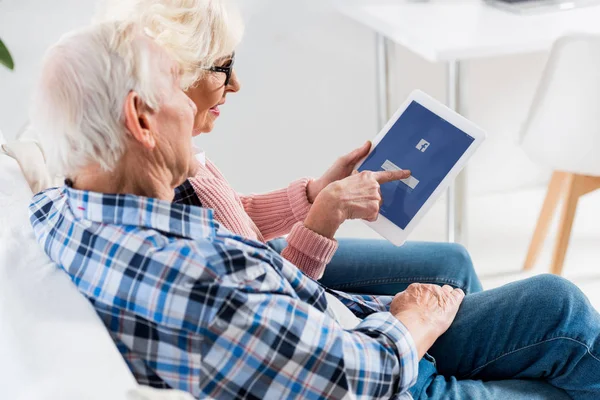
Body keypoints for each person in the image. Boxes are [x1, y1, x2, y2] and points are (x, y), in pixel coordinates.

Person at [30, 20, 600, 400]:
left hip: (348, 324)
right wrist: (413, 322)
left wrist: (311, 200)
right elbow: (355, 377)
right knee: (563, 320)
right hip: (385, 369)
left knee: (549, 304)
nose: (200, 99)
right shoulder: (206, 278)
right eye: (178, 88)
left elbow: (244, 244)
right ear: (142, 119)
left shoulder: (61, 204)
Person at [97, 0, 483, 298]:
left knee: (455, 261)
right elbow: (275, 303)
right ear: (176, 75)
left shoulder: (176, 152)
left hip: (273, 261)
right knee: (463, 283)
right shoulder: (164, 179)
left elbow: (235, 218)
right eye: (222, 68)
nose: (236, 85)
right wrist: (324, 220)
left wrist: (314, 195)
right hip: (285, 280)